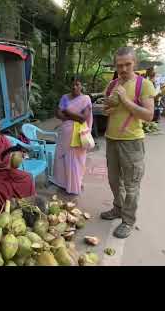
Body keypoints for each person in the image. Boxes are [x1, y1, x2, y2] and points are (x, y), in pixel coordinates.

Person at [100, 47, 155, 239]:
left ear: (135, 64)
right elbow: (107, 107)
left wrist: (124, 99)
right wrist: (107, 108)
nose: (123, 69)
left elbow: (149, 115)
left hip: (132, 141)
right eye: (119, 65)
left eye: (127, 64)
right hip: (112, 139)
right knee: (114, 181)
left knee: (131, 185)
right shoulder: (112, 84)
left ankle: (128, 221)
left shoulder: (143, 84)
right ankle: (118, 209)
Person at [52, 78, 93, 196]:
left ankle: (75, 183)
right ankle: (64, 183)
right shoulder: (65, 97)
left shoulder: (86, 99)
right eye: (72, 84)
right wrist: (71, 115)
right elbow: (58, 114)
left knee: (78, 159)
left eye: (77, 84)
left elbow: (83, 118)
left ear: (81, 86)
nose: (74, 87)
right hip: (65, 133)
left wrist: (67, 112)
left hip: (79, 134)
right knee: (63, 158)